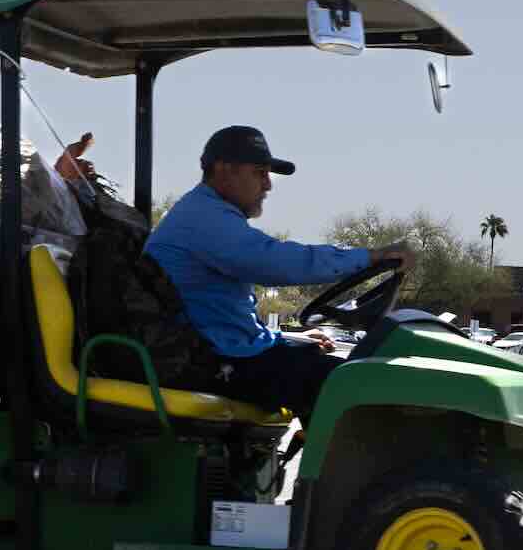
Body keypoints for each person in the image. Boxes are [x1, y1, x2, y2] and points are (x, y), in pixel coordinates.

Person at [144, 125, 413, 419]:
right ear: (223, 169)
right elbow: (280, 263)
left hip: (224, 352)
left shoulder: (208, 216)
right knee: (356, 386)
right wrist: (371, 257)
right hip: (209, 362)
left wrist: (291, 339)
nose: (268, 185)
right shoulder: (202, 219)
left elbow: (229, 323)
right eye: (260, 172)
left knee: (337, 368)